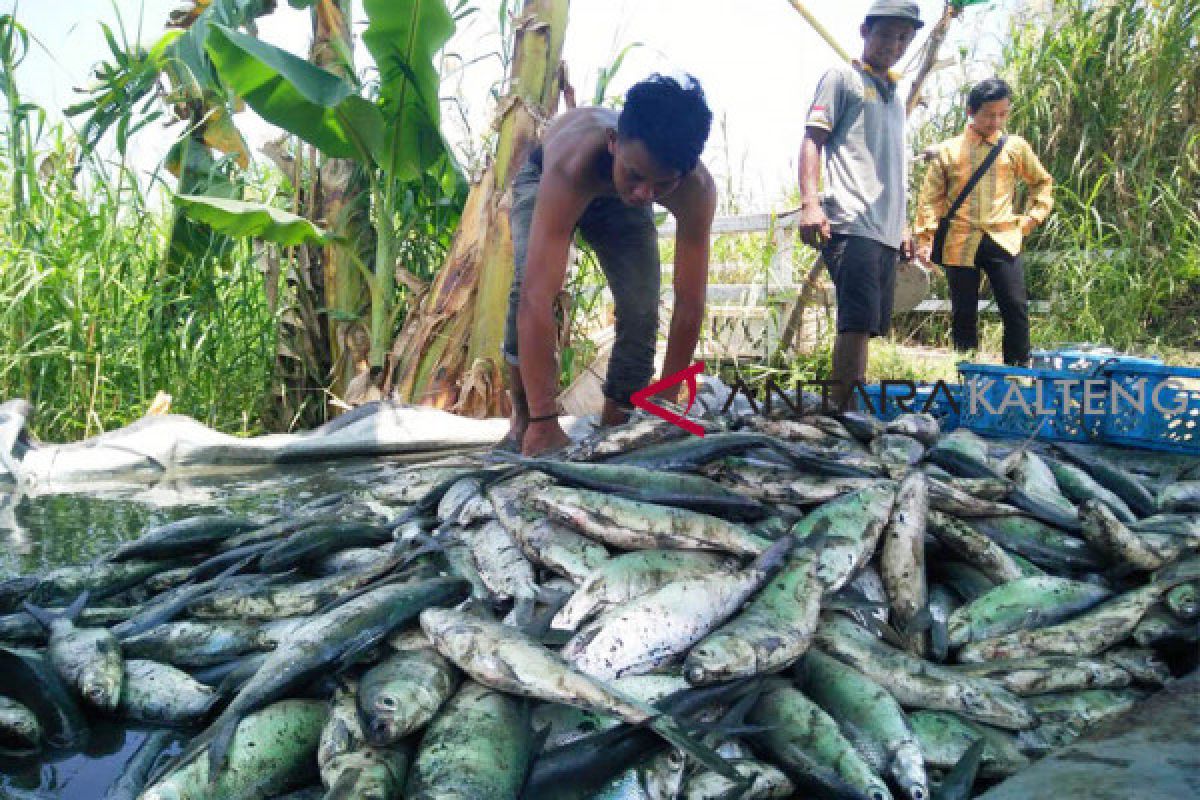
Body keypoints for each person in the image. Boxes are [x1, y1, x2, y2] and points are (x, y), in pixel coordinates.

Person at [502, 74, 717, 456]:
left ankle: (617, 424)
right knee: (524, 289)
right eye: (636, 177)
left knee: (641, 308)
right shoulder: (573, 162)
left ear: (682, 175)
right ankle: (525, 423)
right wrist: (543, 422)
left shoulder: (695, 191)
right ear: (614, 142)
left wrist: (664, 409)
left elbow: (689, 305)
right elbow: (538, 297)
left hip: (612, 195)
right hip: (547, 179)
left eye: (661, 186)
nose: (644, 195)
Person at [797, 0, 922, 410]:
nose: (894, 44)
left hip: (884, 227)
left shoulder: (894, 94)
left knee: (868, 325)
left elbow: (891, 168)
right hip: (851, 220)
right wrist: (810, 203)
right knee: (854, 322)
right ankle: (840, 415)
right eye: (886, 33)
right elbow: (813, 139)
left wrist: (902, 226)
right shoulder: (842, 79)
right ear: (865, 31)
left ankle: (849, 405)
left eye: (903, 37)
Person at [914, 77, 1053, 366]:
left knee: (1015, 307)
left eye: (1003, 114)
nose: (996, 121)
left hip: (1003, 237)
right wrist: (925, 239)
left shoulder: (1014, 147)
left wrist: (1031, 219)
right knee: (963, 313)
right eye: (989, 114)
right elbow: (930, 199)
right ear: (971, 112)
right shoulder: (949, 152)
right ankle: (968, 376)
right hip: (959, 240)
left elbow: (1041, 182)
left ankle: (1016, 373)